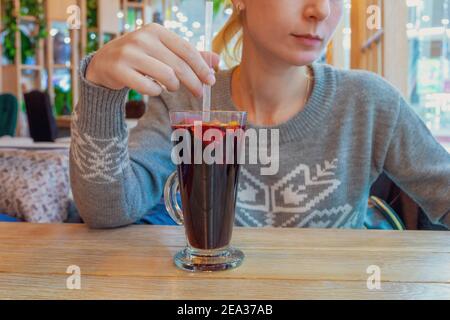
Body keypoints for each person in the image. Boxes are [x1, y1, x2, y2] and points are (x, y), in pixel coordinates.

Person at [70, 0, 450, 229]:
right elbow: (108, 210)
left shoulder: (369, 102)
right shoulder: (188, 98)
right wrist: (100, 88)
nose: (321, 10)